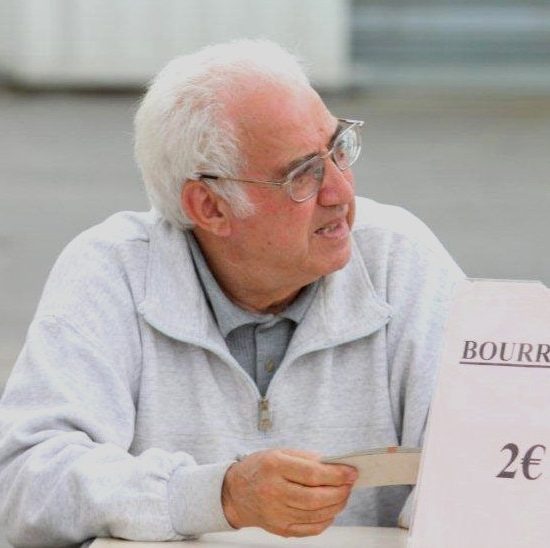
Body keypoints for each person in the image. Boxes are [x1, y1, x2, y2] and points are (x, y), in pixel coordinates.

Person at [0, 39, 463, 547]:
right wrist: (217, 497)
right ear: (210, 207)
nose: (340, 191)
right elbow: (24, 483)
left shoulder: (399, 258)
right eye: (303, 174)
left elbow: (491, 459)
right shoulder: (114, 271)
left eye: (339, 150)